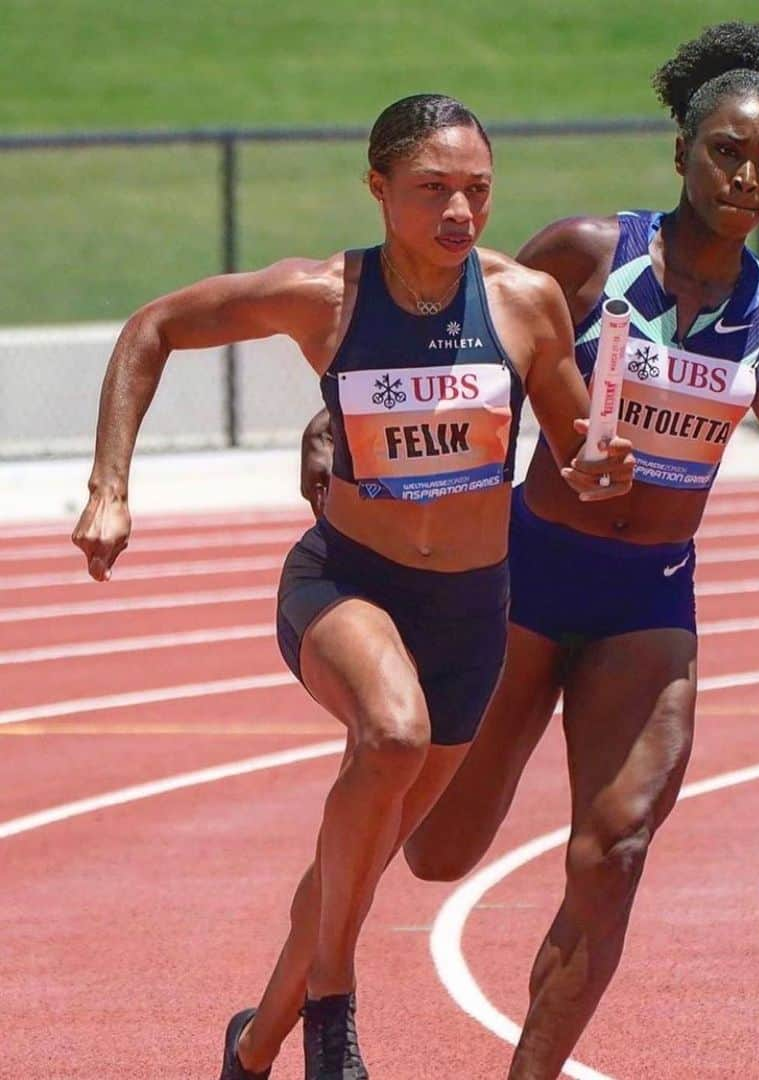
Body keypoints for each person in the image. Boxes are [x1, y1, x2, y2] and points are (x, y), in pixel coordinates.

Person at [303, 24, 759, 1080]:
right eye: (726, 150)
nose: (747, 175)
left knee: (615, 848)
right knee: (437, 851)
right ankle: (301, 998)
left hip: (648, 606)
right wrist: (330, 417)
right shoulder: (586, 255)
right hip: (521, 584)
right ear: (681, 152)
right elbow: (448, 327)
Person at [71, 93, 634, 1080]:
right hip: (346, 585)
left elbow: (575, 435)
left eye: (478, 191)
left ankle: (252, 1051)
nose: (459, 211)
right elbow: (152, 326)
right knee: (391, 732)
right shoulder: (324, 297)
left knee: (355, 863)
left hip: (469, 618)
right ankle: (336, 1004)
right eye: (433, 191)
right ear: (378, 189)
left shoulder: (524, 303)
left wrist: (599, 462)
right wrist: (110, 488)